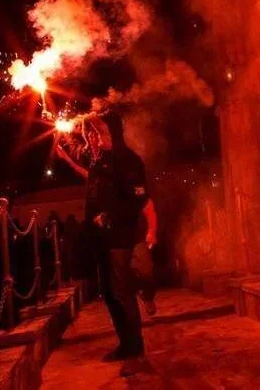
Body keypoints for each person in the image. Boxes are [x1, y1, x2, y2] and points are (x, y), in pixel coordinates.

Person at [56, 114, 155, 377]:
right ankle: (125, 344)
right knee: (109, 294)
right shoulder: (101, 160)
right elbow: (91, 180)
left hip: (121, 238)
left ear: (113, 131)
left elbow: (138, 199)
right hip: (101, 238)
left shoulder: (129, 160)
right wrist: (65, 153)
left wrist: (110, 217)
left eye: (98, 130)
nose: (93, 136)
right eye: (91, 131)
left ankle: (137, 352)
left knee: (122, 293)